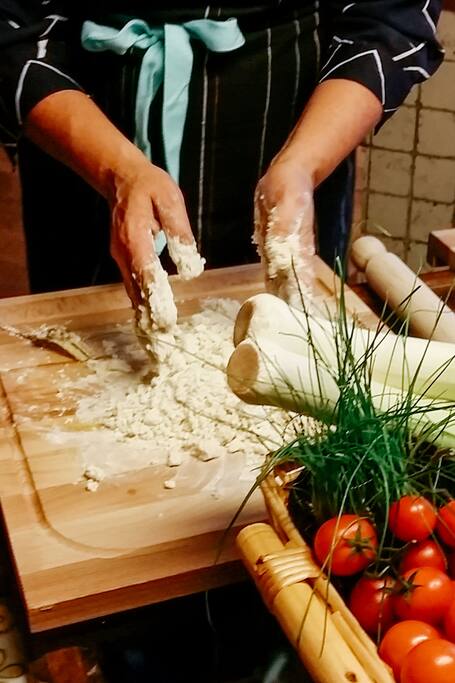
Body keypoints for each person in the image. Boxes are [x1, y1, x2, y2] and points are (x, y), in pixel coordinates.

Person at [0, 2, 443, 308]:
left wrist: (302, 165)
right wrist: (119, 170)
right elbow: (11, 27)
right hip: (85, 134)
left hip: (292, 122)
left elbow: (386, 20)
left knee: (289, 339)